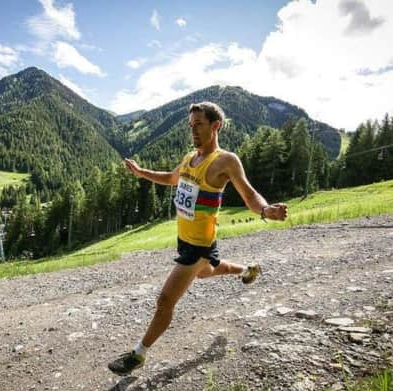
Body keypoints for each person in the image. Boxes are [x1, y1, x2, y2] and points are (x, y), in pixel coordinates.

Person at [108, 101, 288, 376]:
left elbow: (249, 193)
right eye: (191, 125)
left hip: (198, 246)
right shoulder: (190, 158)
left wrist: (264, 210)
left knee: (165, 300)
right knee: (207, 272)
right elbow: (171, 178)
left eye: (199, 125)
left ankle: (138, 354)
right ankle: (246, 269)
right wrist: (142, 172)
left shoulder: (225, 161)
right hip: (187, 240)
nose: (193, 130)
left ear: (216, 126)